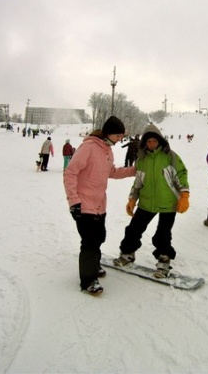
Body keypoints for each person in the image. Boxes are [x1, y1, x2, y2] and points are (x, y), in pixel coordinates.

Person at [63, 116, 136, 295]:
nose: (121, 139)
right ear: (109, 133)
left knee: (99, 237)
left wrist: (133, 170)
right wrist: (74, 201)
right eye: (119, 135)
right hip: (83, 203)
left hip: (99, 203)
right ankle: (88, 280)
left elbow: (111, 172)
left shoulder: (107, 150)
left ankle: (94, 266)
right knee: (89, 241)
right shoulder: (88, 147)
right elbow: (70, 172)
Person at [114, 124, 189, 278]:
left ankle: (163, 262)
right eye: (148, 142)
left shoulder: (170, 156)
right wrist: (132, 199)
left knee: (162, 235)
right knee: (133, 229)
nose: (151, 144)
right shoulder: (142, 160)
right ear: (144, 143)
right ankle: (127, 254)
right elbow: (138, 182)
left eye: (154, 141)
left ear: (160, 141)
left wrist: (184, 195)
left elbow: (181, 175)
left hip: (168, 203)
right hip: (146, 202)